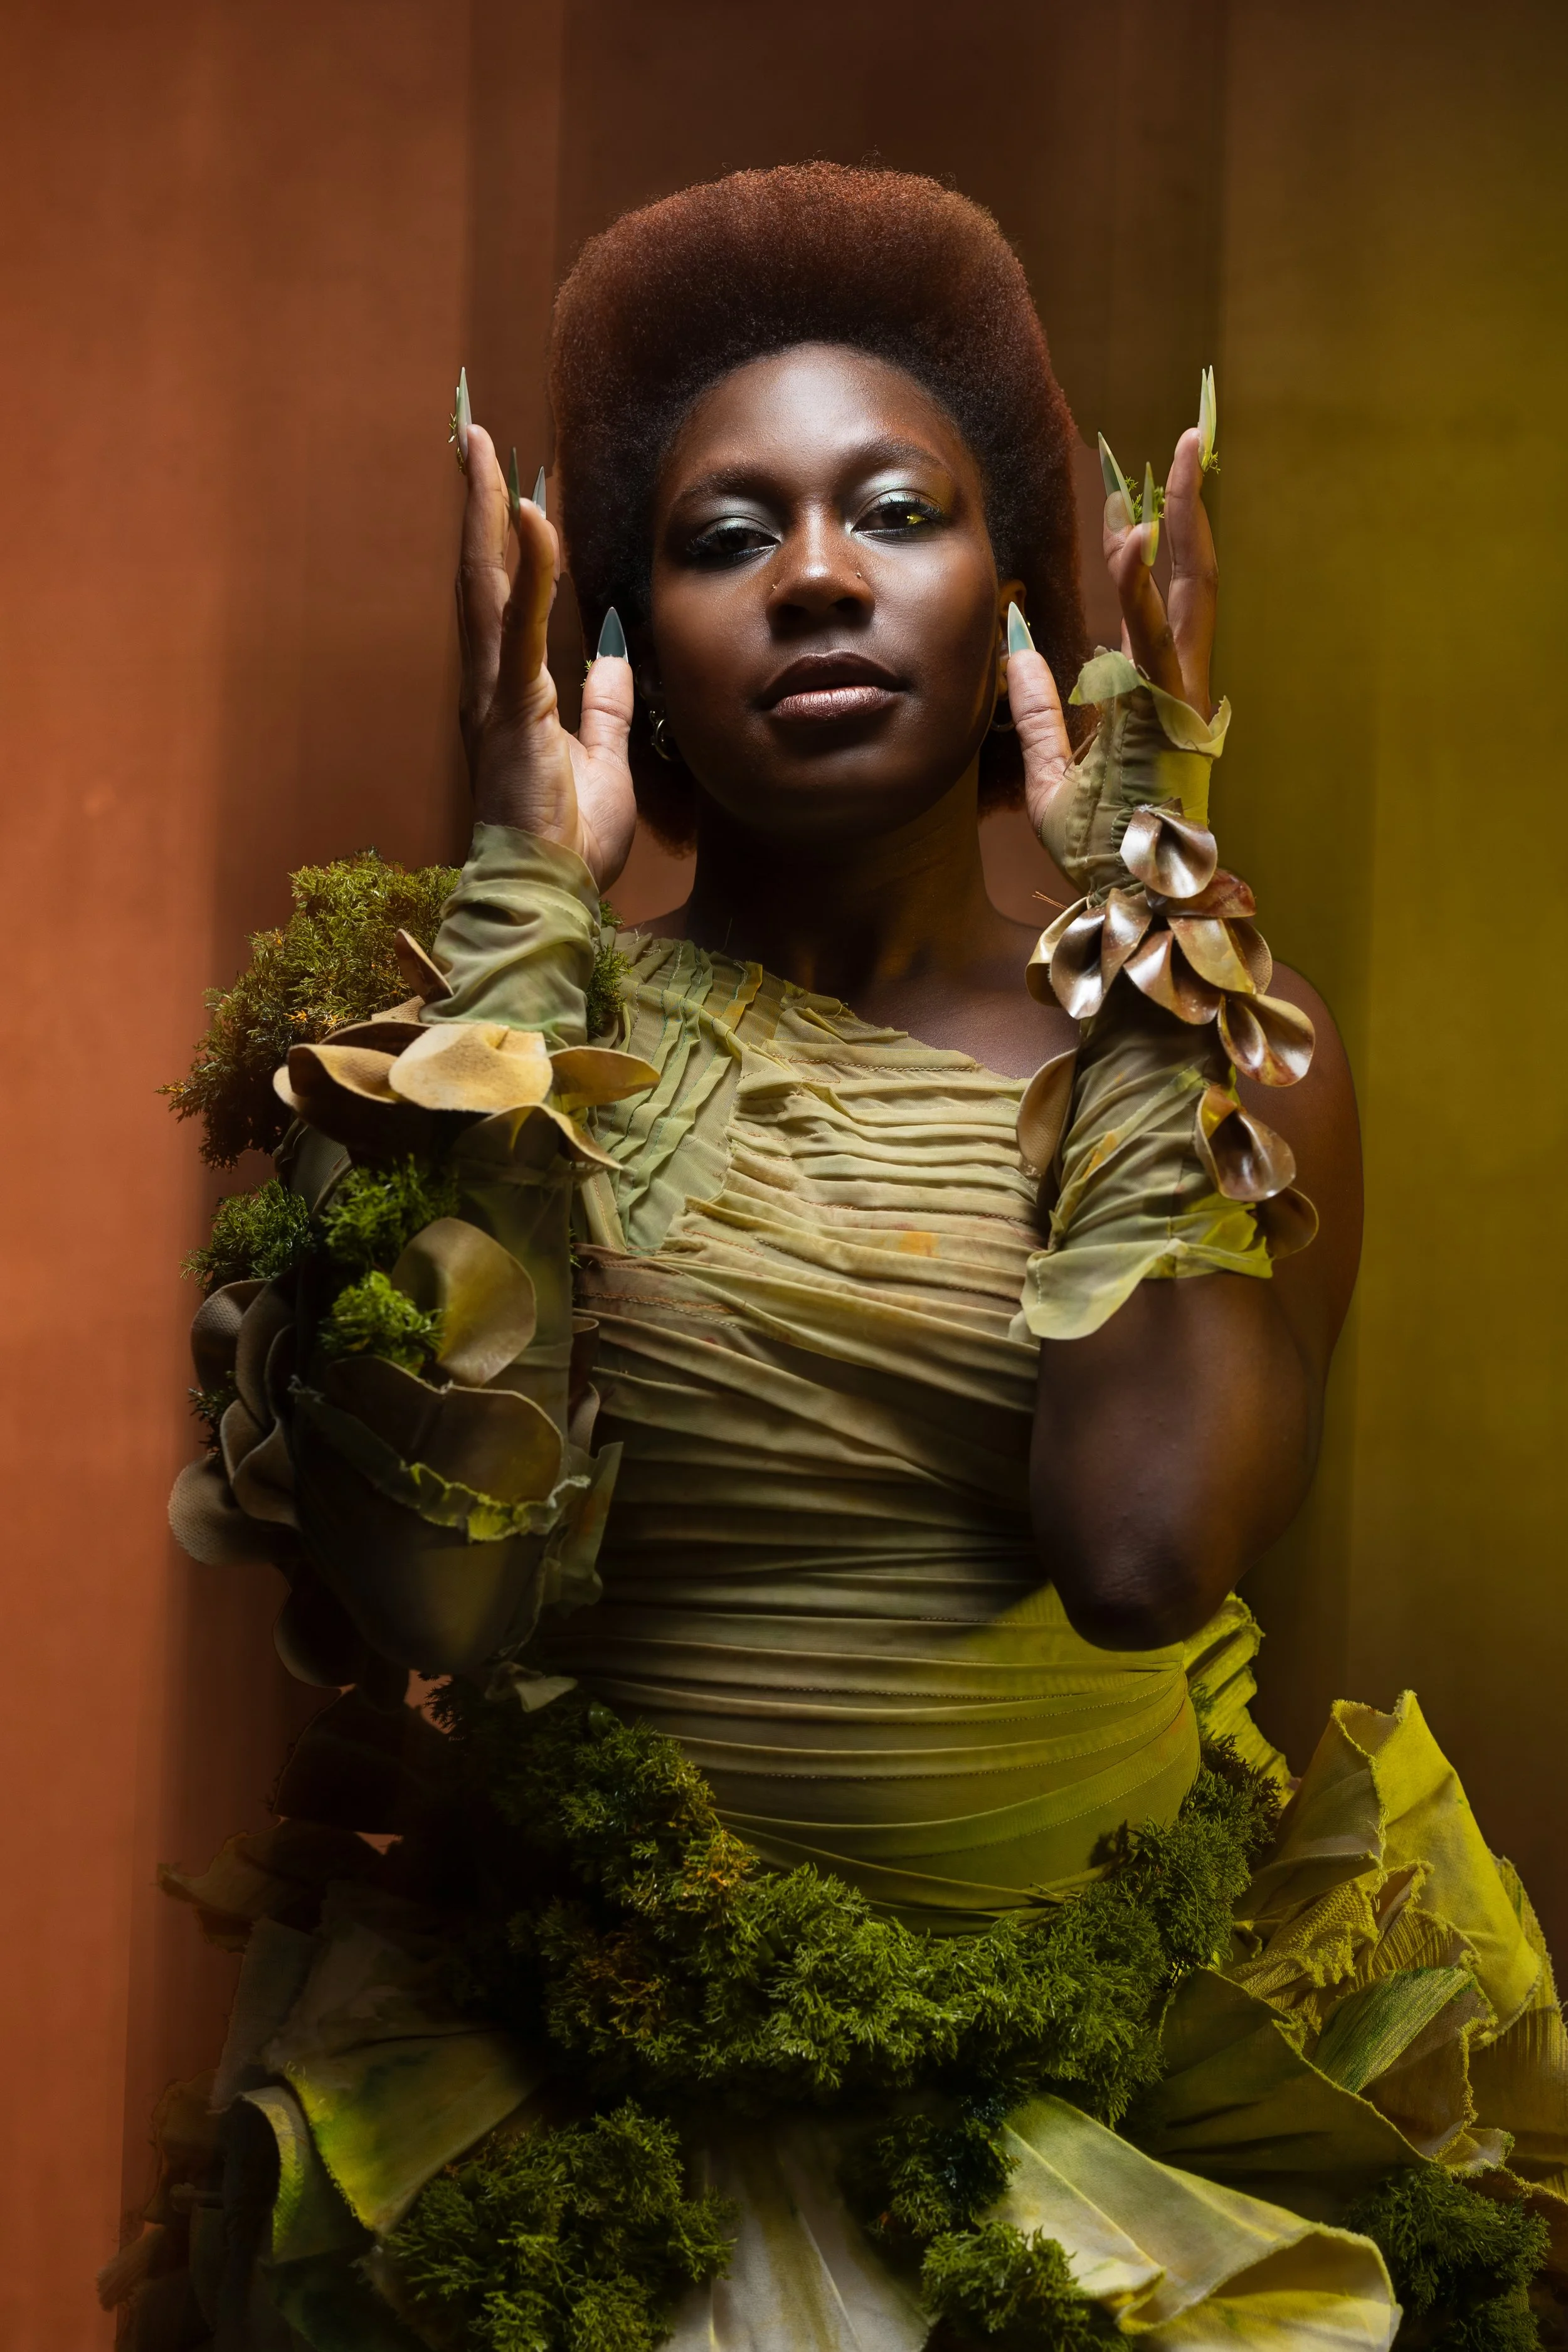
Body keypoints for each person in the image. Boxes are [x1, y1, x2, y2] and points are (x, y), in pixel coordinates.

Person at [146, 165, 1565, 2351]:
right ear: (617, 638)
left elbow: (1143, 1541)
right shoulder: (482, 1046)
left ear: (1016, 593)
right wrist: (523, 908)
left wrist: (1149, 865)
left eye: (893, 513)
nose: (815, 579)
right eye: (725, 538)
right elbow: (437, 1594)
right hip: (577, 2134)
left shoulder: (1217, 1048)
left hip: (1093, 2141)